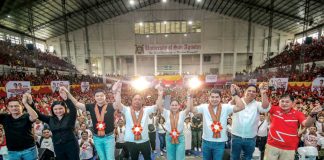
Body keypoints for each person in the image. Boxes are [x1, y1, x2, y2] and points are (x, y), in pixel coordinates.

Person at [66, 81, 123, 160]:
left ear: (105, 96)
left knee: (110, 158)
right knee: (102, 158)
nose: (99, 97)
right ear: (94, 97)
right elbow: (76, 103)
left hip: (109, 137)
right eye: (97, 96)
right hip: (97, 138)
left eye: (101, 96)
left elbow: (118, 104)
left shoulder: (110, 106)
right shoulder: (91, 106)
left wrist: (118, 90)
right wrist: (67, 93)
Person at [191, 85, 245, 160]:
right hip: (206, 141)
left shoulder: (226, 107)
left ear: (220, 98)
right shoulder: (204, 107)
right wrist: (190, 97)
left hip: (220, 142)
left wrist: (234, 94)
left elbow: (241, 107)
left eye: (217, 97)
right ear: (209, 98)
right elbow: (192, 110)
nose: (214, 99)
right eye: (212, 97)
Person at [264, 94, 322, 160]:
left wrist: (313, 114)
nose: (284, 103)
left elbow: (306, 124)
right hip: (272, 146)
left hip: (289, 148)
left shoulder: (298, 114)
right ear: (279, 102)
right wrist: (263, 93)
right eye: (282, 101)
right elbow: (265, 106)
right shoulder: (274, 109)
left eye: (287, 102)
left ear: (292, 103)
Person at [28, 89, 80, 160]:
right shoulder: (50, 119)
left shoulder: (70, 117)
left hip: (71, 145)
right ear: (52, 110)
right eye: (55, 109)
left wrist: (66, 99)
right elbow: (38, 114)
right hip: (58, 147)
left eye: (60, 108)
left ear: (64, 109)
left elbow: (73, 109)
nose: (58, 111)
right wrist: (31, 103)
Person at [121, 84, 163, 160]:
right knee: (134, 158)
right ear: (132, 101)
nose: (137, 101)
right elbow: (118, 104)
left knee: (148, 158)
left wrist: (160, 94)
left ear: (142, 101)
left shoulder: (146, 110)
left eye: (139, 99)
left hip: (144, 141)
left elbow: (158, 106)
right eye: (135, 99)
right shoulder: (126, 110)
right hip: (131, 141)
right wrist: (117, 92)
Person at [231, 83, 270, 160]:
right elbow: (229, 106)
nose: (251, 93)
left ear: (256, 94)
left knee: (248, 158)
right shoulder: (238, 101)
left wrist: (263, 92)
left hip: (250, 138)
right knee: (234, 157)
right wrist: (235, 94)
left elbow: (265, 108)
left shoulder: (257, 104)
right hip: (236, 137)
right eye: (249, 91)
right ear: (245, 91)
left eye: (253, 91)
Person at [0, 93, 38, 160]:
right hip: (12, 151)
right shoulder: (4, 117)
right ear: (8, 107)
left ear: (22, 107)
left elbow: (35, 117)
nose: (14, 108)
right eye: (11, 106)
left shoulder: (26, 116)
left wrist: (25, 103)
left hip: (29, 150)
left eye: (16, 106)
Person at [157, 88, 191, 160]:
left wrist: (189, 96)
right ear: (170, 106)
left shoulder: (182, 114)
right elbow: (159, 107)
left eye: (176, 105)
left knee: (180, 157)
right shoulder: (166, 113)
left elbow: (188, 108)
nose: (174, 107)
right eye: (172, 105)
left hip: (180, 137)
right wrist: (160, 95)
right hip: (169, 137)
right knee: (171, 157)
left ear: (179, 106)